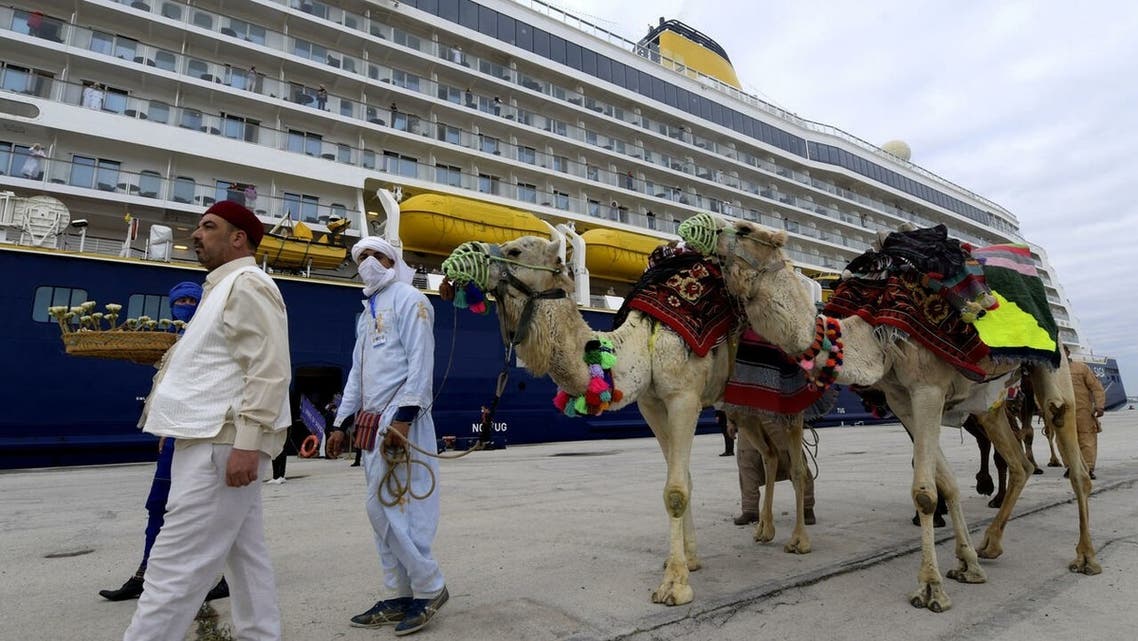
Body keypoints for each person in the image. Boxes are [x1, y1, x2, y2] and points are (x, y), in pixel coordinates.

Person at [122, 201, 291, 641]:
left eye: (208, 226)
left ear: (238, 238)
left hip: (222, 444)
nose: (196, 234)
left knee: (171, 570)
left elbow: (269, 369)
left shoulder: (248, 284)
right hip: (209, 440)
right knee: (246, 561)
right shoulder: (220, 288)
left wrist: (248, 442)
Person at [326, 236, 449, 636]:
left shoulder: (411, 300)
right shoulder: (367, 312)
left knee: (404, 512)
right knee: (380, 513)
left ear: (393, 260)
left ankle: (429, 589)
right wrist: (340, 424)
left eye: (377, 255)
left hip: (403, 425)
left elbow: (421, 361)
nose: (369, 262)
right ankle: (399, 593)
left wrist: (405, 417)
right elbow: (358, 373)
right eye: (361, 257)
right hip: (373, 426)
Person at [100, 282, 232, 604]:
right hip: (174, 435)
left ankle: (224, 576)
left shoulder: (213, 338)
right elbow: (169, 387)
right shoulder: (171, 342)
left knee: (213, 511)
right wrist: (164, 429)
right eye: (181, 301)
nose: (186, 305)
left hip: (205, 434)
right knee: (158, 504)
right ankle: (147, 574)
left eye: (192, 300)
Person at [727, 414, 816, 526]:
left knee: (795, 464)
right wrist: (730, 421)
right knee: (747, 467)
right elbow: (731, 401)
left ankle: (806, 508)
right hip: (747, 422)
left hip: (777, 421)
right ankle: (750, 510)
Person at [1066, 346, 1105, 479]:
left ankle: (1087, 468)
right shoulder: (1052, 370)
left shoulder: (1081, 368)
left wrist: (1099, 405)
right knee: (1065, 441)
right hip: (1062, 413)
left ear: (1068, 352)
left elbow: (1096, 387)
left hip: (1083, 412)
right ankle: (1071, 466)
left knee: (1086, 440)